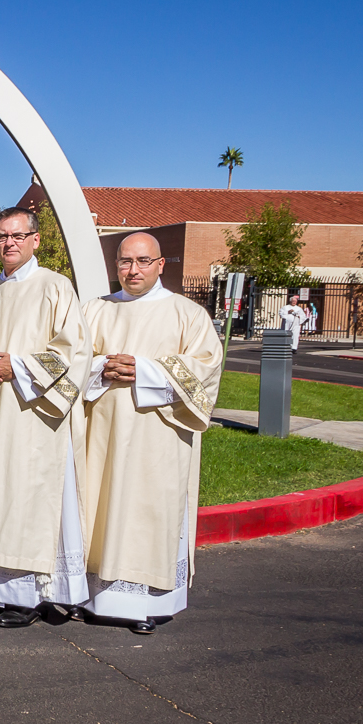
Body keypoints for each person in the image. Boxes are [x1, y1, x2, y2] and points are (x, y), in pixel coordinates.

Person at [0, 206, 92, 628]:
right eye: (1, 236)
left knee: (24, 495)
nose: (8, 243)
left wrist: (17, 367)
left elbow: (74, 352)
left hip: (33, 412)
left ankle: (30, 595)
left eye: (17, 235)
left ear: (35, 240)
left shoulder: (55, 287)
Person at [80, 232, 223, 634]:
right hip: (101, 438)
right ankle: (93, 597)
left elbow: (205, 370)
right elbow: (72, 362)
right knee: (100, 507)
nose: (133, 270)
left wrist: (143, 370)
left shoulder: (187, 314)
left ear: (161, 265)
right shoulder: (93, 310)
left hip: (157, 439)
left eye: (143, 261)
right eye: (125, 261)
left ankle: (145, 604)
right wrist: (99, 369)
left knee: (147, 511)